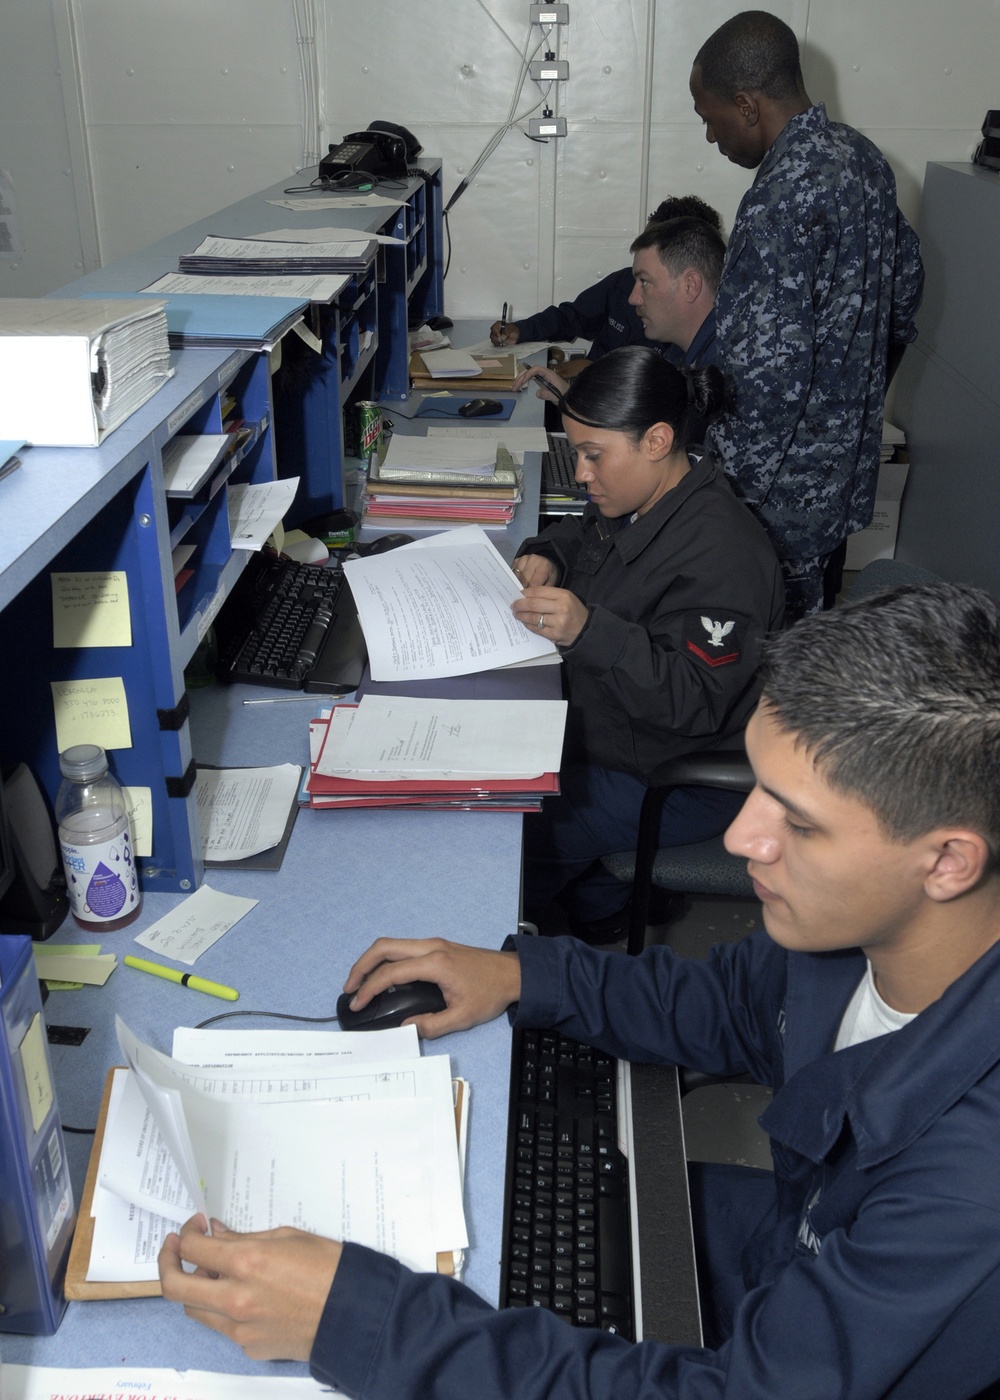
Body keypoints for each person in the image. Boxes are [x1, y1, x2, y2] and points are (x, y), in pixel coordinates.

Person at [160, 579, 1000, 1400]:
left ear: (949, 861)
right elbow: (732, 1008)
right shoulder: (862, 934)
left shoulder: (969, 1187)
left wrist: (358, 1326)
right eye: (756, 793)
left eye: (798, 822)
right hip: (795, 1237)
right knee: (526, 1222)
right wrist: (526, 973)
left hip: (836, 1306)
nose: (743, 838)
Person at [508, 346, 782, 941]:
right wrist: (548, 554)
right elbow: (585, 531)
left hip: (673, 775)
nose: (582, 473)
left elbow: (694, 702)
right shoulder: (647, 496)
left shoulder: (722, 555)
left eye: (592, 455)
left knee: (513, 824)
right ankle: (610, 893)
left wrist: (588, 632)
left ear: (656, 440)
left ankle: (580, 922)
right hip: (620, 736)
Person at [689, 11, 924, 621]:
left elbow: (763, 381)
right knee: (816, 634)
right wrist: (853, 401)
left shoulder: (777, 200)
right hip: (841, 480)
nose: (711, 138)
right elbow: (903, 301)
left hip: (776, 501)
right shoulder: (866, 162)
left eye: (708, 119)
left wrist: (722, 497)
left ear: (745, 106)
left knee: (769, 664)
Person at [489, 193, 724, 377]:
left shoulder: (701, 351)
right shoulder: (623, 285)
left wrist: (594, 371)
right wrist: (521, 330)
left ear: (689, 284)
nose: (634, 297)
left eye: (645, 281)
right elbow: (572, 316)